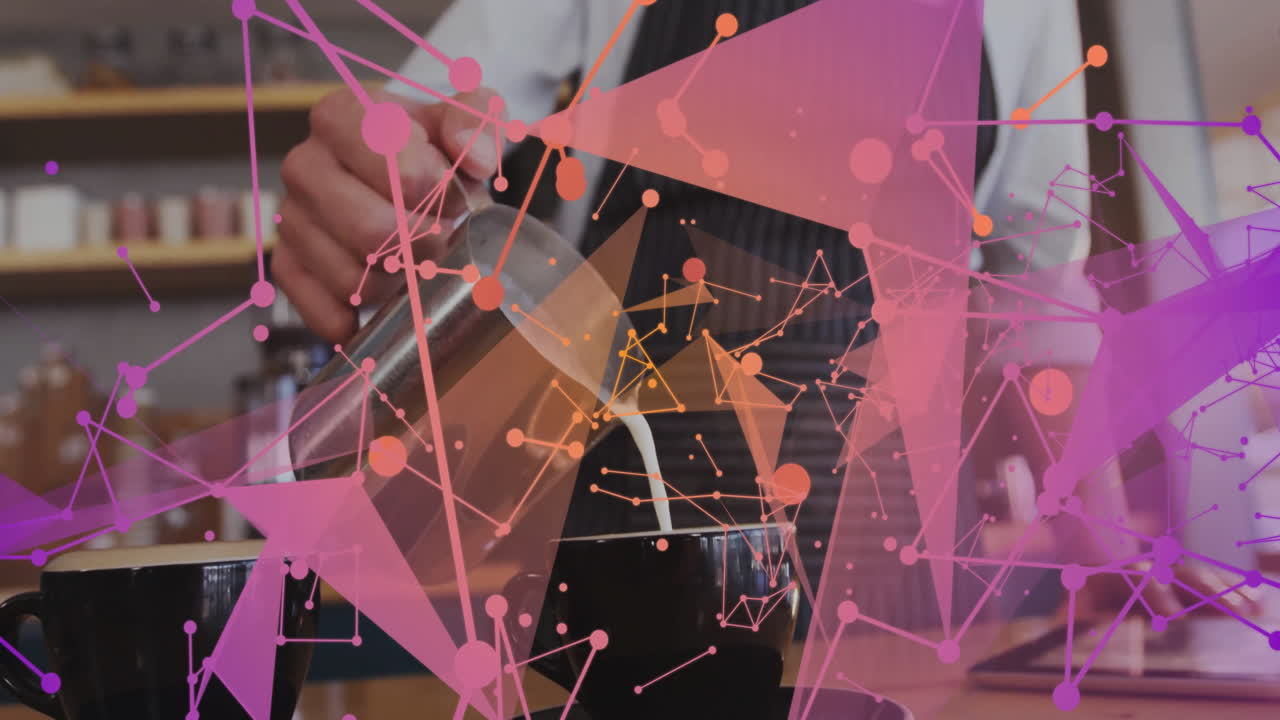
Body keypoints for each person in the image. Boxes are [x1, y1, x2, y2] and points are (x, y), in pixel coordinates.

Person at [277, 0, 1257, 626]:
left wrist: (1098, 536)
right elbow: (414, 130)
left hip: (899, 586)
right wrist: (368, 182)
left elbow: (1033, 308)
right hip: (619, 577)